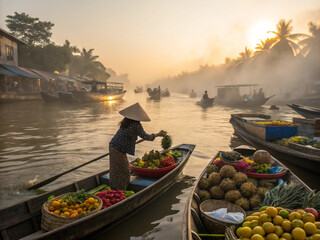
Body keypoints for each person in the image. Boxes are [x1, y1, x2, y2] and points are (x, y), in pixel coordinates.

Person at [109, 103, 164, 190]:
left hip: (113, 146)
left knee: (116, 169)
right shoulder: (136, 125)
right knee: (124, 171)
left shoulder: (126, 122)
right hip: (118, 149)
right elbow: (146, 137)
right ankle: (120, 190)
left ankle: (116, 187)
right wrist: (157, 134)